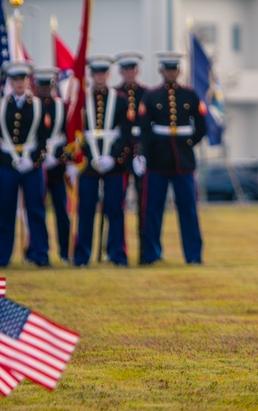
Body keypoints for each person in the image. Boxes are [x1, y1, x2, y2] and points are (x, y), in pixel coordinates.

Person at [137, 52, 208, 265]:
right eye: (167, 69)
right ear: (161, 71)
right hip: (158, 160)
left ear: (179, 71)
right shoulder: (151, 96)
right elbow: (144, 128)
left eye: (174, 69)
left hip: (183, 161)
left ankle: (193, 256)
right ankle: (151, 254)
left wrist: (187, 144)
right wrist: (143, 154)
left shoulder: (190, 95)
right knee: (153, 210)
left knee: (188, 210)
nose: (171, 73)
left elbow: (201, 127)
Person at [0, 60, 51, 268]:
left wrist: (33, 160)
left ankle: (40, 255)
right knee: (5, 212)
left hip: (31, 166)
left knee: (36, 211)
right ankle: (1, 257)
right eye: (15, 79)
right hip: (7, 165)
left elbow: (43, 138)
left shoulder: (38, 104)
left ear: (27, 80)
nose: (20, 83)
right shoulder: (1, 105)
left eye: (22, 79)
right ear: (10, 82)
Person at [72, 54, 132, 267]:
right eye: (96, 73)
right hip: (88, 162)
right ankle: (82, 255)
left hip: (113, 163)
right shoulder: (81, 99)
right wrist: (84, 156)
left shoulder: (122, 99)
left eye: (103, 73)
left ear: (108, 74)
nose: (99, 77)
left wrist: (115, 158)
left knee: (115, 209)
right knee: (86, 209)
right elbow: (76, 131)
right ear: (91, 75)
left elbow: (126, 134)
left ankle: (117, 253)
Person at [34, 66, 71, 264]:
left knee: (61, 211)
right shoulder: (31, 105)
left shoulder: (61, 106)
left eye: (47, 85)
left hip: (57, 165)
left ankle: (65, 251)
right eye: (41, 85)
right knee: (36, 210)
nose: (44, 89)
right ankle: (37, 251)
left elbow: (68, 134)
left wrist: (60, 157)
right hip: (36, 164)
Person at [114, 51, 149, 261]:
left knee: (144, 207)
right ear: (120, 72)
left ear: (137, 71)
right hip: (121, 157)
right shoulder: (115, 94)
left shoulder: (146, 93)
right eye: (125, 70)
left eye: (132, 69)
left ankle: (146, 253)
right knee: (117, 206)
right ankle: (118, 251)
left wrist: (142, 152)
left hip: (141, 156)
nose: (129, 73)